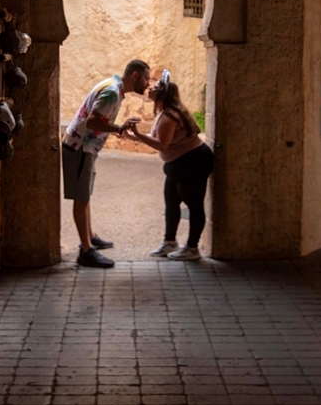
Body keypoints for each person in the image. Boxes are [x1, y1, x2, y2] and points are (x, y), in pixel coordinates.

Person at [62, 59, 151, 268]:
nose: (148, 83)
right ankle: (86, 251)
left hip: (84, 146)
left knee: (85, 196)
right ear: (135, 76)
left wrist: (118, 128)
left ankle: (90, 237)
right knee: (81, 198)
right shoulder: (112, 92)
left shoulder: (113, 87)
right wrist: (119, 128)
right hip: (80, 147)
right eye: (146, 78)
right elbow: (91, 122)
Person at [126, 71, 214, 261]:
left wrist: (137, 134)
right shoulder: (163, 113)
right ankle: (170, 242)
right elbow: (157, 139)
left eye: (155, 87)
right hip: (180, 163)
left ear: (163, 94)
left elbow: (161, 144)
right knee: (172, 203)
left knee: (194, 204)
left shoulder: (168, 116)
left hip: (193, 162)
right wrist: (132, 136)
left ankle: (192, 248)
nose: (150, 87)